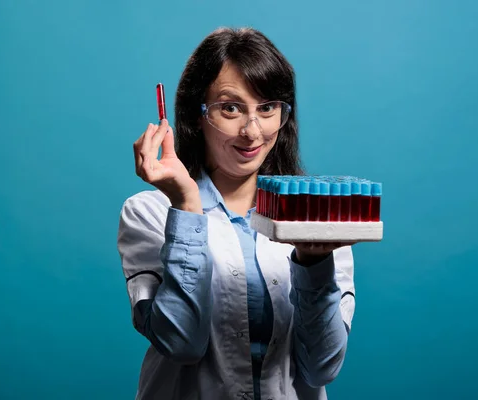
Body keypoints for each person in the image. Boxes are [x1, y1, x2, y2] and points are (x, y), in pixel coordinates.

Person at [117, 27, 357, 400]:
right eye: (230, 107)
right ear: (198, 114)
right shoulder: (148, 213)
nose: (252, 131)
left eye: (267, 108)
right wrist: (186, 207)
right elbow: (182, 343)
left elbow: (322, 366)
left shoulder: (317, 214)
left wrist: (313, 262)